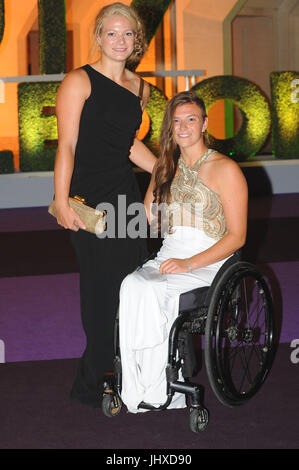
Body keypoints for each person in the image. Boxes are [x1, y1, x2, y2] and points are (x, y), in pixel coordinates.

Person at [118, 90, 248, 413]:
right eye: (176, 122)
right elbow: (151, 220)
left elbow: (237, 236)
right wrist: (158, 174)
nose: (184, 127)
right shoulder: (168, 166)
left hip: (209, 260)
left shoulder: (226, 169)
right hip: (170, 252)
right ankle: (141, 386)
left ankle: (163, 387)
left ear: (204, 124)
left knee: (150, 289)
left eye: (191, 119)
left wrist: (189, 262)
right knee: (131, 285)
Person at [53, 2, 156, 408]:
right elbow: (67, 145)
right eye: (111, 33)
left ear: (136, 40)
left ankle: (127, 369)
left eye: (127, 34)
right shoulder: (79, 81)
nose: (119, 41)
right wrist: (61, 200)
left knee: (132, 282)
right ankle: (98, 379)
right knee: (100, 288)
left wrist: (169, 169)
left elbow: (127, 143)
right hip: (87, 200)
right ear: (98, 37)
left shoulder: (141, 88)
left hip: (124, 195)